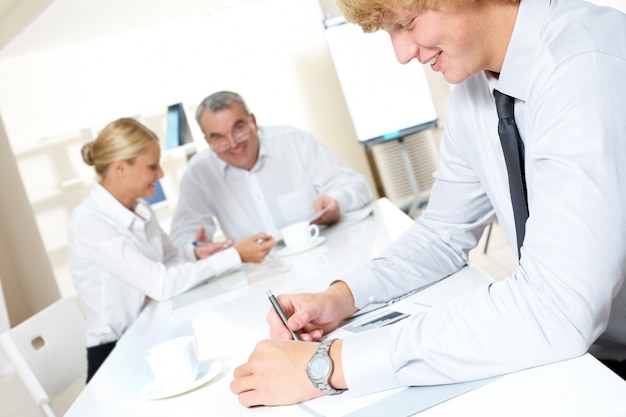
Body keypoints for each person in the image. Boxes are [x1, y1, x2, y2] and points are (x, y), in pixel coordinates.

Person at [230, 0, 626, 407]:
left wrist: (327, 365)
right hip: (588, 359)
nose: (401, 54)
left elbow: (555, 306)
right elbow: (442, 233)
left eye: (407, 23)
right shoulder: (474, 93)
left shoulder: (583, 64)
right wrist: (341, 297)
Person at [67, 118, 275, 382]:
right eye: (152, 166)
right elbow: (162, 284)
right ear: (120, 168)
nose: (161, 174)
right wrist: (235, 256)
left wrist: (196, 254)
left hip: (154, 332)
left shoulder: (141, 209)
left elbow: (170, 260)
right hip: (116, 352)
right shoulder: (90, 222)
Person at [169, 91, 373, 260]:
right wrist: (195, 248)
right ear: (208, 141)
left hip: (324, 256)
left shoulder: (294, 141)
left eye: (238, 128)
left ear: (253, 122)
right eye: (219, 138)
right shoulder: (199, 172)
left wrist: (337, 202)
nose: (232, 143)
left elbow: (358, 187)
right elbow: (182, 236)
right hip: (261, 276)